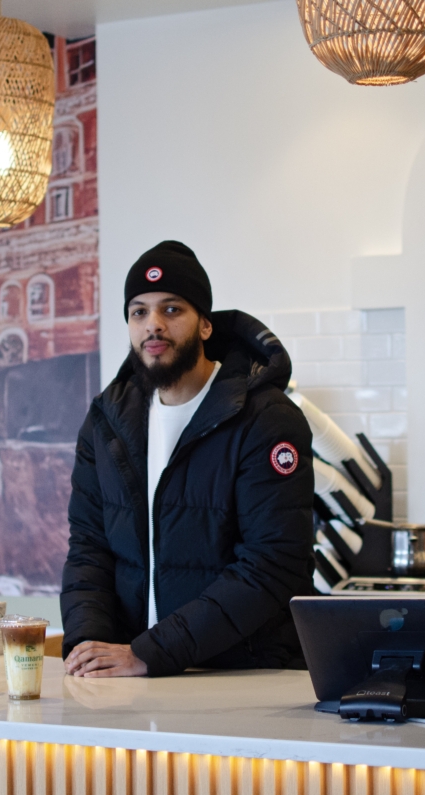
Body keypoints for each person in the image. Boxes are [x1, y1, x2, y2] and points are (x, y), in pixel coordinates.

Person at [61, 241, 315, 678]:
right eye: (138, 312)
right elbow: (89, 549)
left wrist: (152, 652)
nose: (153, 325)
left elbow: (272, 565)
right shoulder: (106, 422)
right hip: (136, 676)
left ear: (204, 326)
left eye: (172, 310)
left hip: (244, 678)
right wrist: (89, 645)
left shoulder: (266, 420)